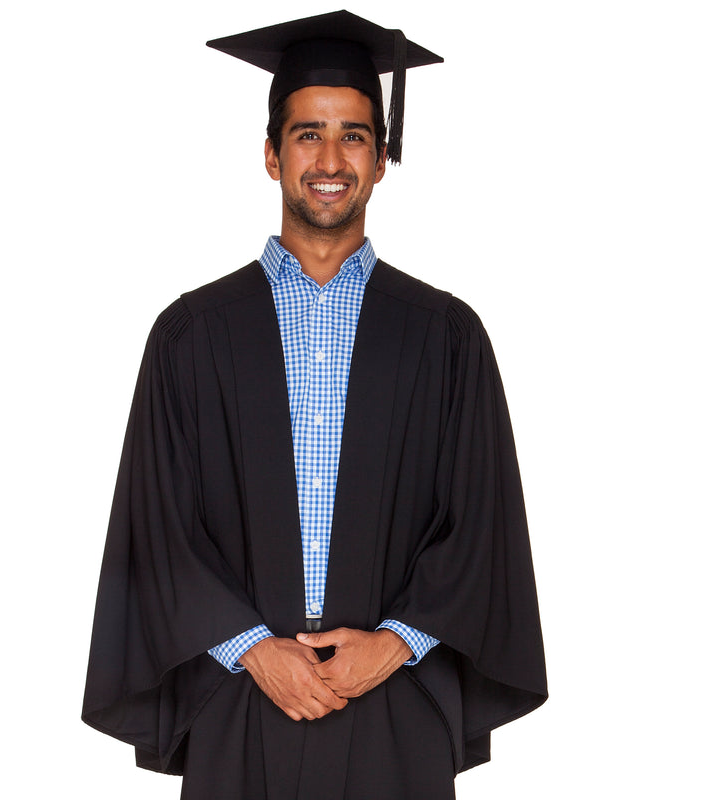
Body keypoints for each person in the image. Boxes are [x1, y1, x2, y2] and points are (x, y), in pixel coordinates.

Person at [82, 11, 547, 800]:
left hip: (397, 706)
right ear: (271, 155)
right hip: (239, 703)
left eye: (355, 135)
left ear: (382, 158)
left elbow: (481, 521)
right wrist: (254, 649)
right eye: (307, 134)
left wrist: (396, 643)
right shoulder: (192, 335)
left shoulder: (445, 335)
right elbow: (156, 522)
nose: (330, 159)